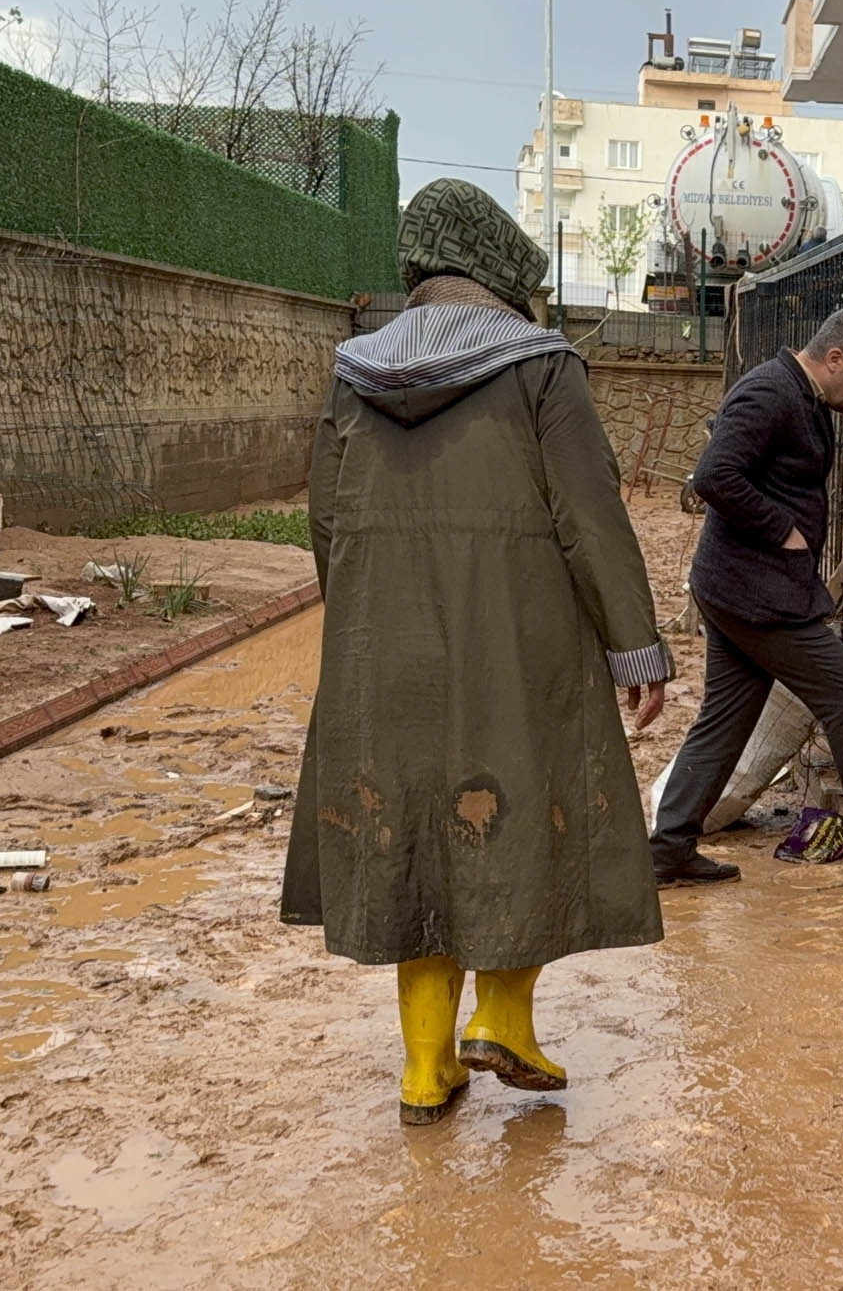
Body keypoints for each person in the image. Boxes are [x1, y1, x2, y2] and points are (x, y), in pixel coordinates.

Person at [281, 178, 673, 1126]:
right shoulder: (542, 366)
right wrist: (637, 646)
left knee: (411, 835)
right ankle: (500, 1018)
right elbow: (590, 516)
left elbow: (327, 519)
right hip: (519, 638)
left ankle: (425, 1071)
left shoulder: (353, 372)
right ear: (503, 267)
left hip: (386, 647)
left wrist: (363, 628)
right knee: (518, 812)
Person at [649, 305, 843, 886]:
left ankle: (668, 849)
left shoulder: (801, 395)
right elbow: (715, 476)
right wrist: (779, 527)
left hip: (744, 586)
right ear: (834, 359)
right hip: (754, 591)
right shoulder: (770, 393)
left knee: (725, 719)